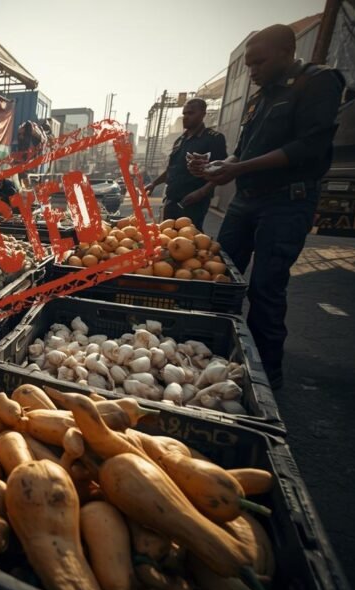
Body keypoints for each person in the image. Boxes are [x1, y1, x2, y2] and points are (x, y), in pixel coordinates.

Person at [192, 24, 344, 390]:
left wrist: (237, 168)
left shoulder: (318, 82)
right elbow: (242, 154)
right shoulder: (259, 99)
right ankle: (210, 357)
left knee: (265, 288)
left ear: (285, 52)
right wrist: (212, 168)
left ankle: (265, 377)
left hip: (285, 201)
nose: (252, 70)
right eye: (248, 64)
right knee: (220, 276)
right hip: (246, 200)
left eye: (258, 62)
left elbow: (309, 147)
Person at [145, 98, 228, 230]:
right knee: (167, 236)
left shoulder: (213, 139)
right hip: (172, 200)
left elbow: (220, 171)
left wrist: (201, 193)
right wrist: (154, 183)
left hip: (193, 201)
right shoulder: (180, 140)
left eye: (190, 113)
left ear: (202, 114)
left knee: (188, 239)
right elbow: (172, 169)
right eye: (184, 114)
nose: (186, 117)